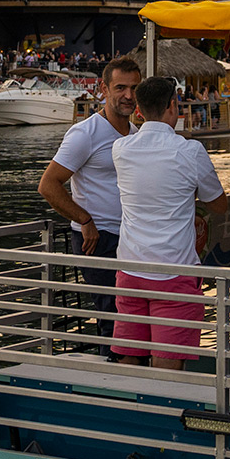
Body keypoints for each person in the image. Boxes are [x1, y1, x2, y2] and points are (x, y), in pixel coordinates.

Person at [110, 76, 228, 370]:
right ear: (173, 107)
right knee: (168, 367)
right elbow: (219, 204)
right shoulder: (190, 151)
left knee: (128, 358)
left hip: (130, 269)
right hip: (174, 272)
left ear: (138, 110)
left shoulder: (120, 149)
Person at [38, 57, 143, 343]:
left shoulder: (135, 134)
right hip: (99, 239)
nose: (128, 96)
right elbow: (48, 185)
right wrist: (84, 219)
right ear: (103, 89)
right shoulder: (85, 133)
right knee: (112, 316)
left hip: (132, 239)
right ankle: (113, 377)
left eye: (134, 88)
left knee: (134, 316)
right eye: (120, 87)